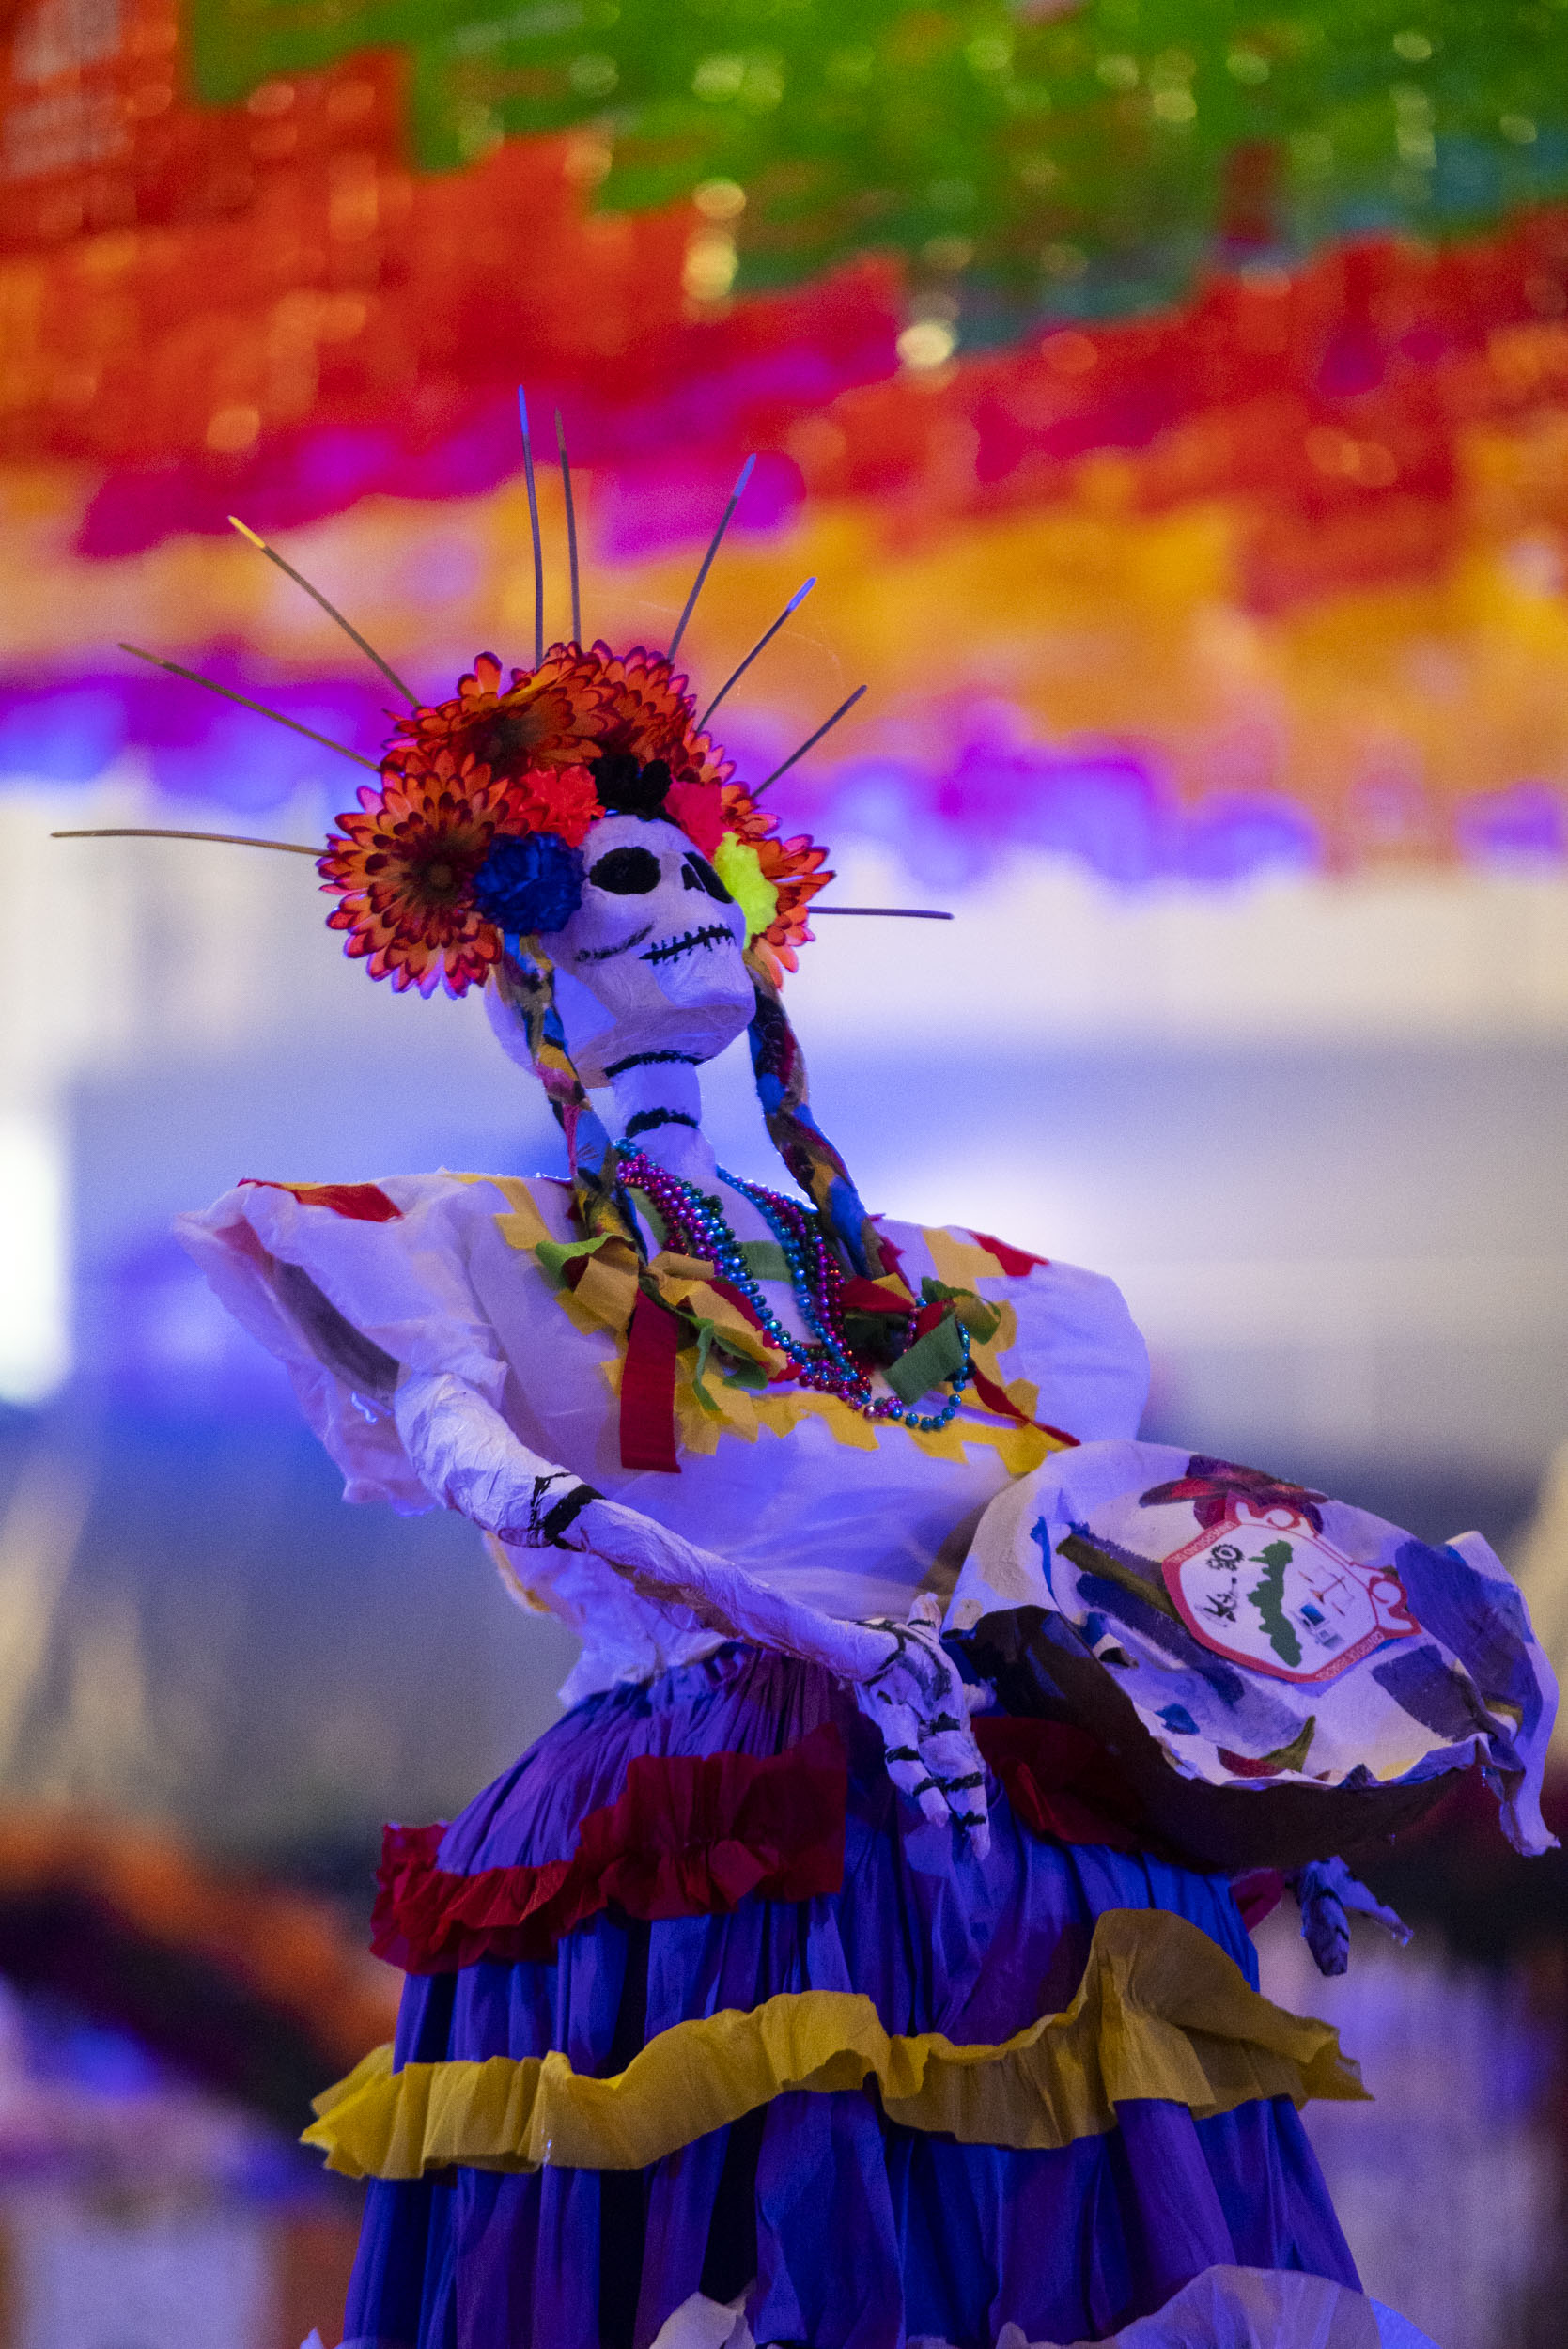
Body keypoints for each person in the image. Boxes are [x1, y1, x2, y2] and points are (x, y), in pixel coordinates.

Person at [170, 632, 1436, 2349]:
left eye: (708, 871)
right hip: (712, 1828)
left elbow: (1107, 1558)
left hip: (1021, 1834)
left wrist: (1273, 1753)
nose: (688, 905)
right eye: (625, 877)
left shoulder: (984, 1297)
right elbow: (471, 1445)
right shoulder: (473, 1243)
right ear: (524, 950)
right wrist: (701, 1587)